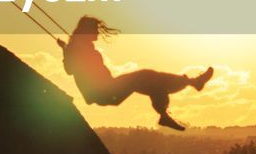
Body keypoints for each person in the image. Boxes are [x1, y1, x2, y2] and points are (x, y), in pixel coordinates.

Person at [58, 16, 212, 132]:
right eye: (95, 30)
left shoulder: (80, 46)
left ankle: (168, 111)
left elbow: (73, 63)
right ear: (87, 31)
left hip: (108, 88)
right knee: (147, 76)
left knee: (153, 81)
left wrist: (67, 49)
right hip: (104, 91)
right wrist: (66, 51)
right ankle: (192, 84)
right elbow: (70, 70)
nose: (98, 33)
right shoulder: (76, 47)